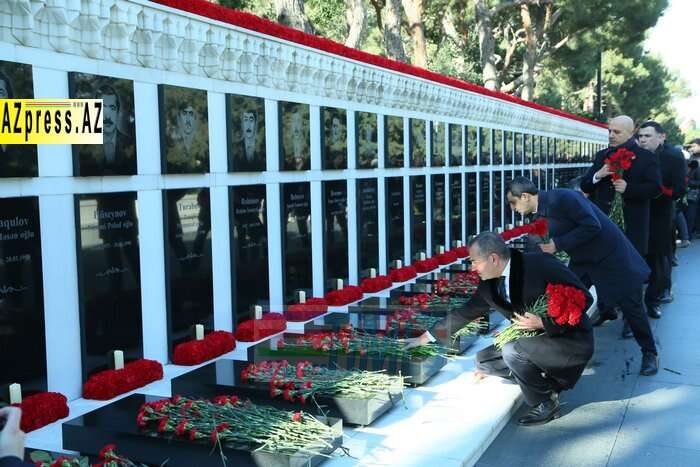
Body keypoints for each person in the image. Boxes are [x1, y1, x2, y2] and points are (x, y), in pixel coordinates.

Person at [506, 177, 658, 376]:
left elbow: (592, 225)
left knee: (632, 307)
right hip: (583, 260)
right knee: (565, 300)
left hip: (611, 257)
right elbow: (537, 244)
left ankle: (650, 352)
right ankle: (554, 350)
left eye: (513, 202)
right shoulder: (536, 214)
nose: (512, 208)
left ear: (525, 196)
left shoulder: (564, 198)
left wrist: (557, 244)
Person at [456, 232, 595, 426]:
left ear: (493, 258)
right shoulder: (490, 284)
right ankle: (545, 378)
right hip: (535, 340)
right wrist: (426, 338)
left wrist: (543, 322)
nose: (472, 268)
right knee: (483, 361)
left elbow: (585, 298)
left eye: (474, 262)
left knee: (511, 351)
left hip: (568, 340)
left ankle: (545, 402)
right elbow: (464, 312)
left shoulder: (540, 264)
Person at [580, 115, 661, 257]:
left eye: (616, 132)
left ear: (630, 133)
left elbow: (656, 188)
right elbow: (585, 186)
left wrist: (629, 189)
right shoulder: (602, 155)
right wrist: (598, 175)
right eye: (609, 131)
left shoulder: (646, 157)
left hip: (632, 227)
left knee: (629, 266)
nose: (611, 135)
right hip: (602, 224)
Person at [636, 121, 687, 318]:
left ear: (661, 137)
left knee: (658, 258)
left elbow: (678, 190)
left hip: (661, 214)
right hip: (636, 211)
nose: (643, 140)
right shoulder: (633, 154)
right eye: (640, 136)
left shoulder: (673, 156)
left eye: (647, 136)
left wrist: (655, 189)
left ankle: (654, 299)